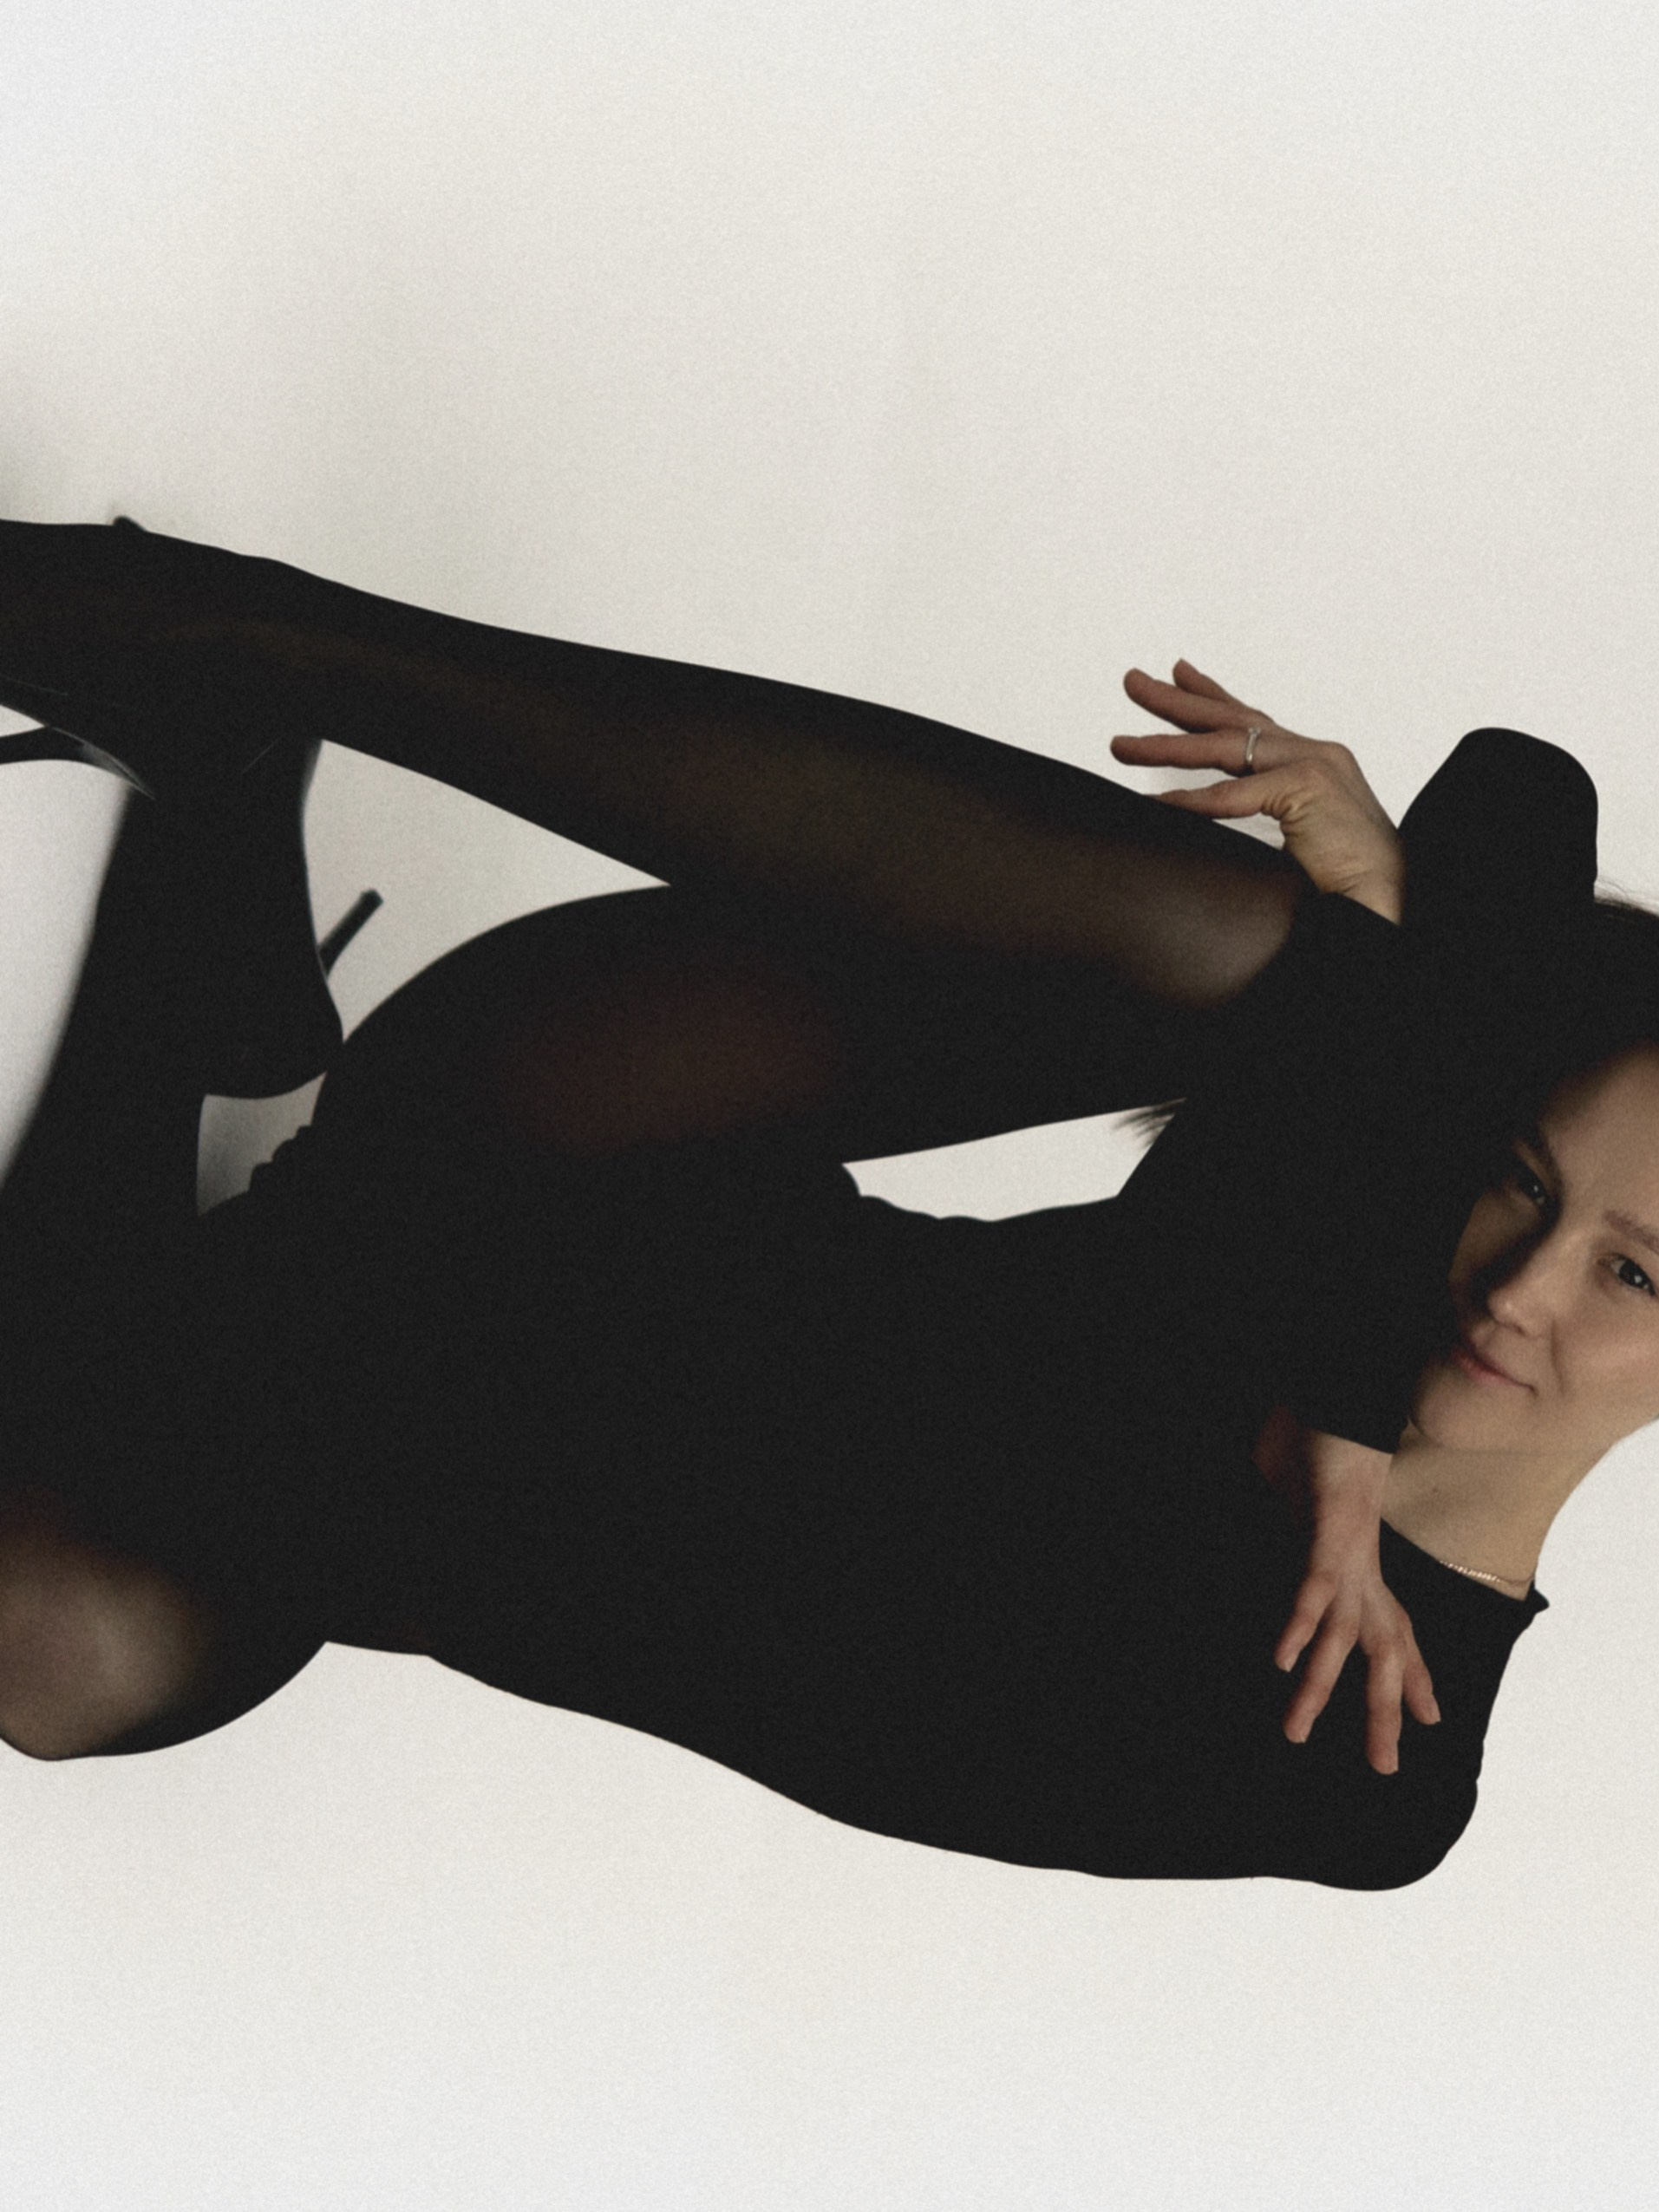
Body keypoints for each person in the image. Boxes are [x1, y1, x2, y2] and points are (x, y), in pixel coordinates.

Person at [0, 517, 1641, 1889]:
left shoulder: (1368, 1762)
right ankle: (222, 633)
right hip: (562, 1145)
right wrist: (1342, 1388)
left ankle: (195, 905)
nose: (1519, 1286)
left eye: (1636, 1277)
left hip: (363, 1476)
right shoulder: (1353, 1221)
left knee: (55, 1656)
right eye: (1517, 1179)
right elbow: (1523, 796)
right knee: (1271, 954)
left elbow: (755, 1637)